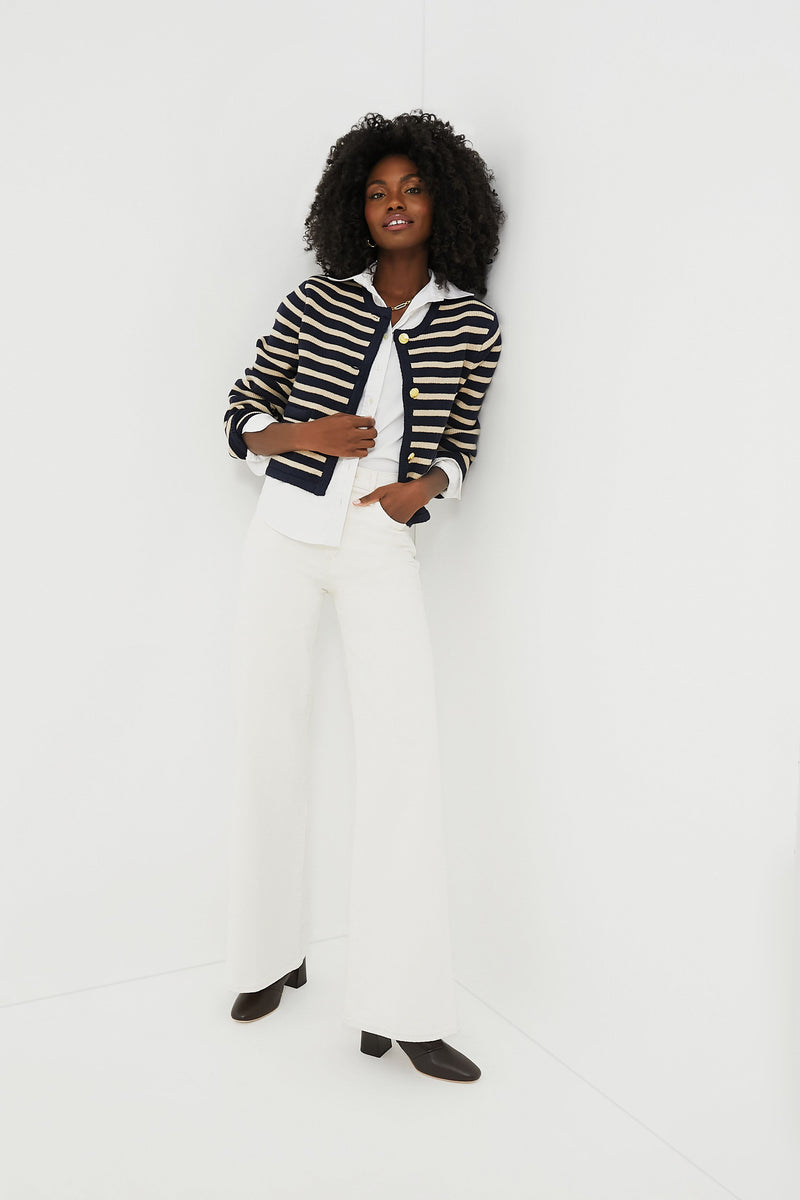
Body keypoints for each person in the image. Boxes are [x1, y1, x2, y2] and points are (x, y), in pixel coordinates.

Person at [222, 110, 504, 1084]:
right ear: (355, 206)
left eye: (411, 189)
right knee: (266, 740)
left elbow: (461, 439)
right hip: (284, 537)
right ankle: (267, 956)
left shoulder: (471, 322)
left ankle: (403, 1008)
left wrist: (422, 489)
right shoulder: (314, 303)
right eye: (377, 191)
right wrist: (307, 435)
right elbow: (241, 412)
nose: (394, 204)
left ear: (442, 203)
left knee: (403, 760)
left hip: (380, 542)